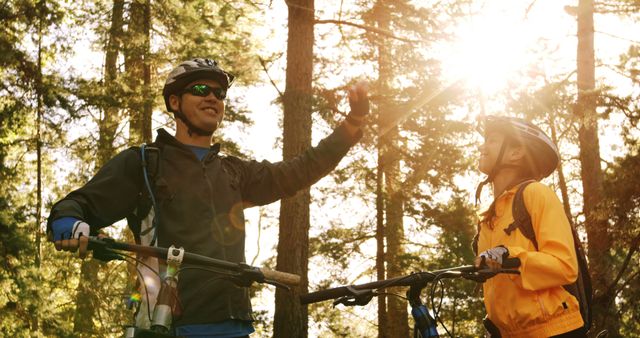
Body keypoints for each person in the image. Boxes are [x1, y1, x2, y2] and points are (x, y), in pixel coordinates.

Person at [46, 57, 369, 337]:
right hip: (165, 324)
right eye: (201, 90)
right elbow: (79, 204)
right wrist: (68, 223)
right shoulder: (145, 163)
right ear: (174, 102)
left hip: (235, 325)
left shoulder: (234, 172)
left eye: (220, 93)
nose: (213, 97)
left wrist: (352, 125)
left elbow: (299, 170)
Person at [472, 116, 586, 337]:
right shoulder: (488, 218)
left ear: (516, 153)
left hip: (555, 330)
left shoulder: (535, 194)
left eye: (492, 141)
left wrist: (508, 255)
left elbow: (565, 265)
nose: (481, 146)